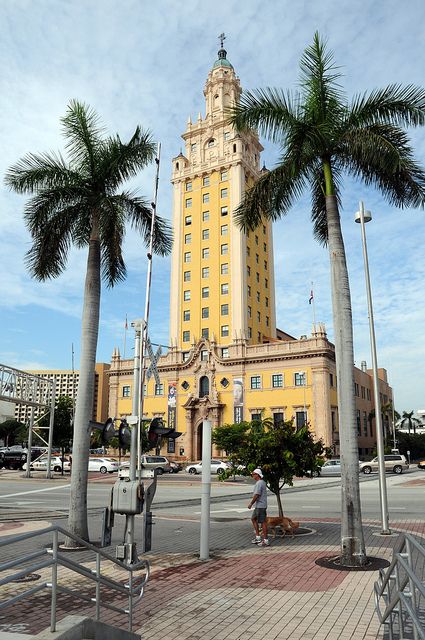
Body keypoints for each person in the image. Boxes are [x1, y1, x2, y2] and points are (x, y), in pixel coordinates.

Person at [248, 468, 269, 547]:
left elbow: (257, 494)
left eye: (253, 474)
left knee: (263, 522)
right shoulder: (262, 482)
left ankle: (265, 540)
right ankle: (258, 537)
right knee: (253, 519)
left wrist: (251, 503)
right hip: (259, 506)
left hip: (260, 506)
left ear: (257, 475)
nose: (252, 476)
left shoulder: (259, 483)